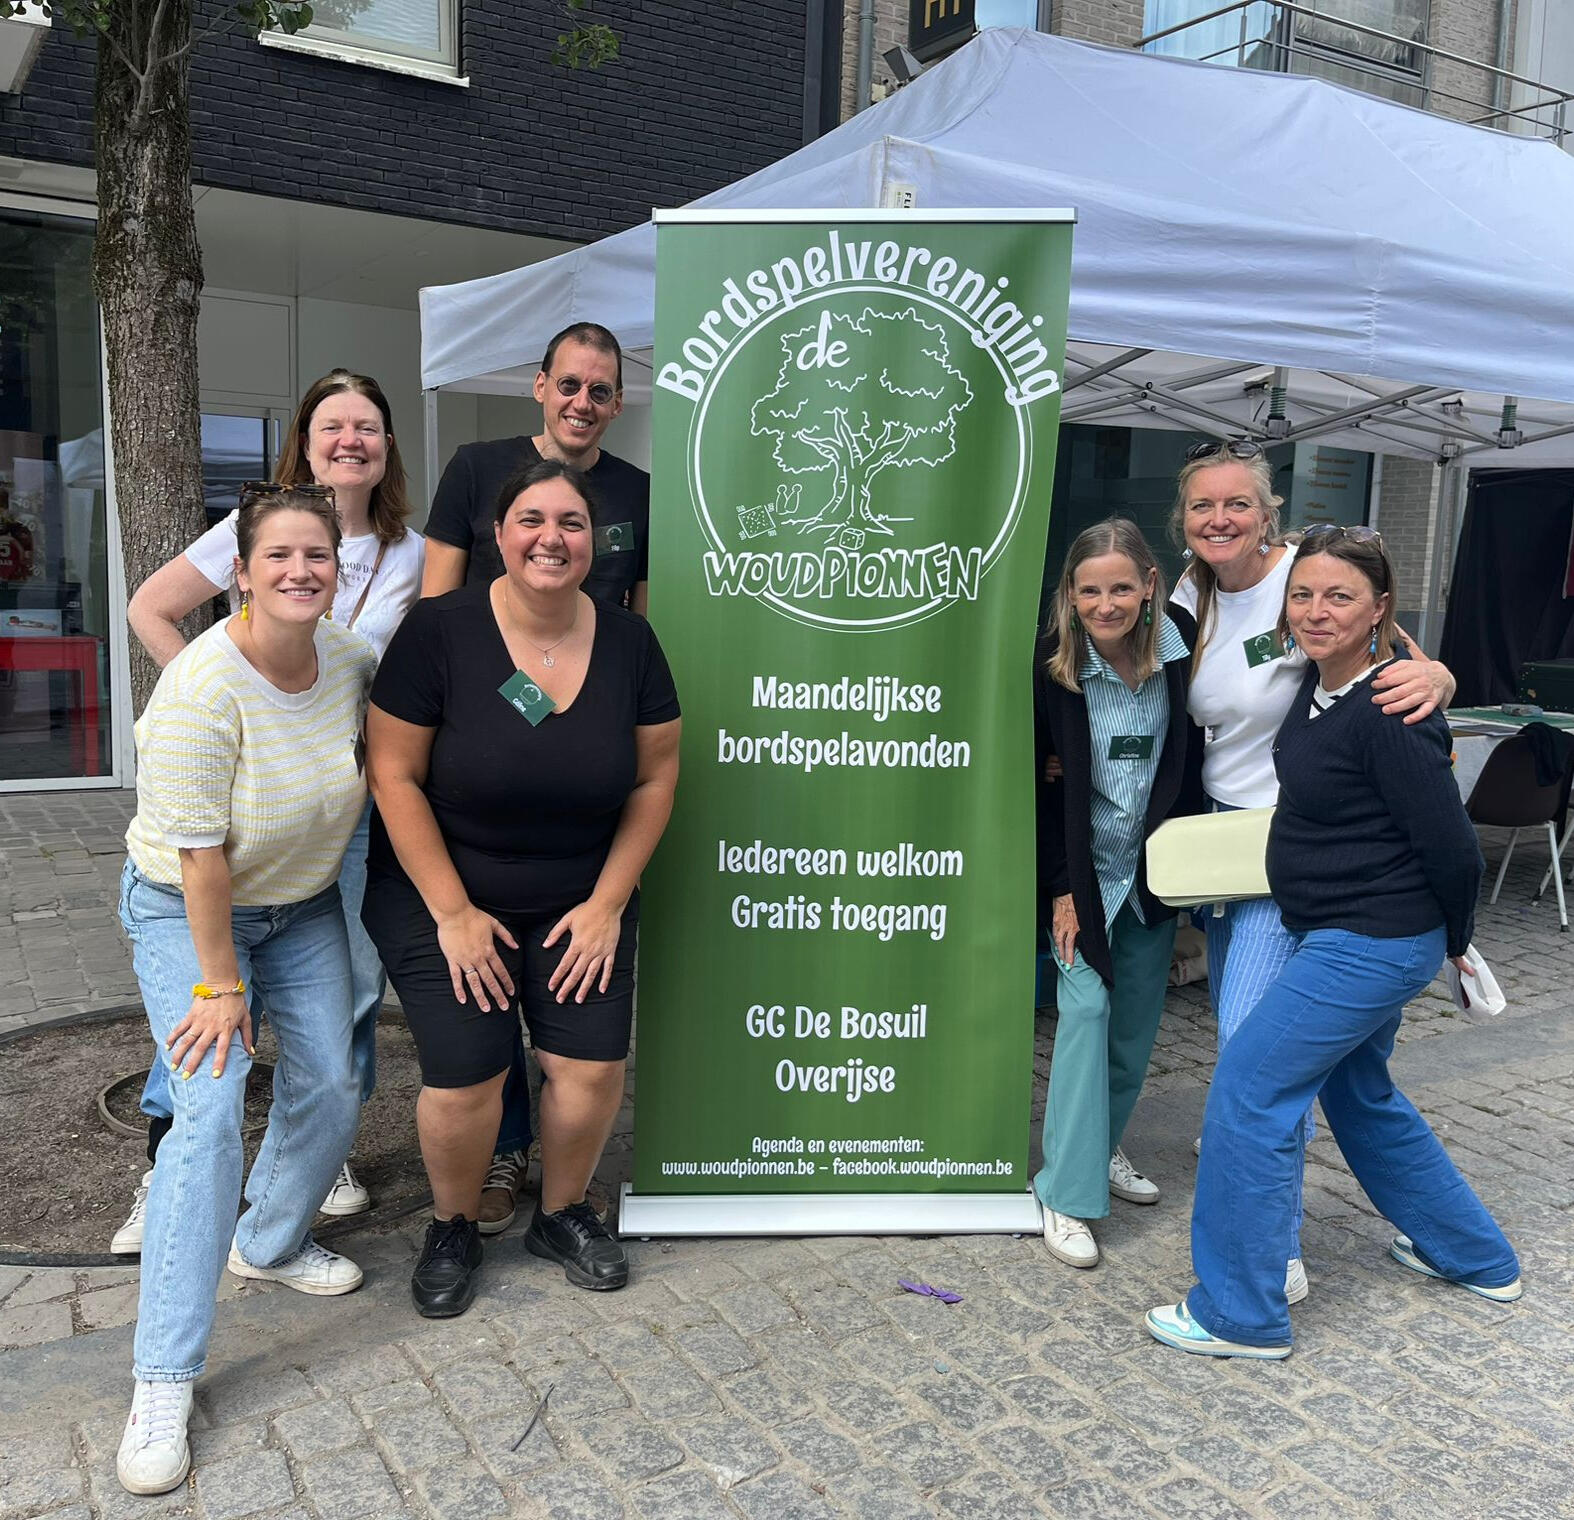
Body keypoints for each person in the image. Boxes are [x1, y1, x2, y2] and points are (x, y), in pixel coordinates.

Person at [1147, 527, 1520, 1359]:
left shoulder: (1389, 706)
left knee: (1249, 1091)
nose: (1317, 611)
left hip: (1370, 942)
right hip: (1344, 932)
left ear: (1380, 608)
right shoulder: (1318, 680)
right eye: (1303, 595)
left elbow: (1455, 849)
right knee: (1359, 1094)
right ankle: (1474, 1255)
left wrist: (1457, 943)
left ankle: (1240, 1314)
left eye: (1341, 597)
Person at [363, 459, 680, 1317]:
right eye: (532, 520)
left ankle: (563, 1212)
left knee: (589, 1067)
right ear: (499, 536)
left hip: (580, 894)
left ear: (594, 542)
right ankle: (453, 1225)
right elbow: (392, 774)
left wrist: (608, 904)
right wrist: (453, 913)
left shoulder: (631, 642)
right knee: (468, 1074)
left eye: (571, 523)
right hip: (444, 889)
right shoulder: (440, 631)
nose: (552, 538)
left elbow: (656, 777)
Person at [116, 371, 423, 1248]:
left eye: (368, 426)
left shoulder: (414, 553)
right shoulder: (252, 528)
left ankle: (318, 1155)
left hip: (344, 802)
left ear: (388, 445)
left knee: (350, 989)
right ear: (306, 440)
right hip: (247, 798)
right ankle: (168, 1161)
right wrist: (220, 702)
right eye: (333, 425)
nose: (350, 440)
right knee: (207, 1003)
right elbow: (151, 608)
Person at [115, 486, 374, 1494]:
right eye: (279, 556)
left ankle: (266, 1241)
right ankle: (163, 1377)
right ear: (241, 573)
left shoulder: (347, 658)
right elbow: (199, 857)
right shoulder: (200, 685)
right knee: (211, 1110)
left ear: (337, 569)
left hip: (300, 906)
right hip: (186, 910)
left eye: (318, 555)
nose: (300, 570)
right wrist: (221, 985)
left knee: (336, 1080)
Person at [1168, 438, 1452, 1304]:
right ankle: (1461, 1242)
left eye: (1238, 504)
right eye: (1202, 506)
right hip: (1224, 841)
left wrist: (1439, 676)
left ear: (1269, 514)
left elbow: (1403, 662)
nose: (1220, 520)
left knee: (1255, 1057)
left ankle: (1272, 1255)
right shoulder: (1187, 594)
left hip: (1300, 844)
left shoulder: (1309, 577)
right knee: (1343, 1075)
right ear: (1183, 519)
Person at [423, 321, 647, 1232]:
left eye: (600, 389)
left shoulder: (638, 492)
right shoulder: (477, 469)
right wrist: (508, 699)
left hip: (582, 735)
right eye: (569, 383)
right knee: (482, 994)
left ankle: (555, 1191)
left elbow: (638, 622)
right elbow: (438, 605)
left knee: (567, 1012)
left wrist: (588, 717)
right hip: (481, 733)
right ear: (540, 385)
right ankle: (502, 1153)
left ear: (617, 403)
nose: (581, 402)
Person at [1034, 518, 1202, 1269]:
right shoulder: (1053, 665)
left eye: (1121, 588)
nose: (1106, 605)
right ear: (1070, 594)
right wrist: (1060, 888)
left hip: (1151, 876)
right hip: (1084, 876)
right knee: (1086, 1014)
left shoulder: (1182, 648)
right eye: (1090, 590)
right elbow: (1035, 786)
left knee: (1133, 1033)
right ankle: (1063, 1193)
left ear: (1149, 586)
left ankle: (1098, 1147)